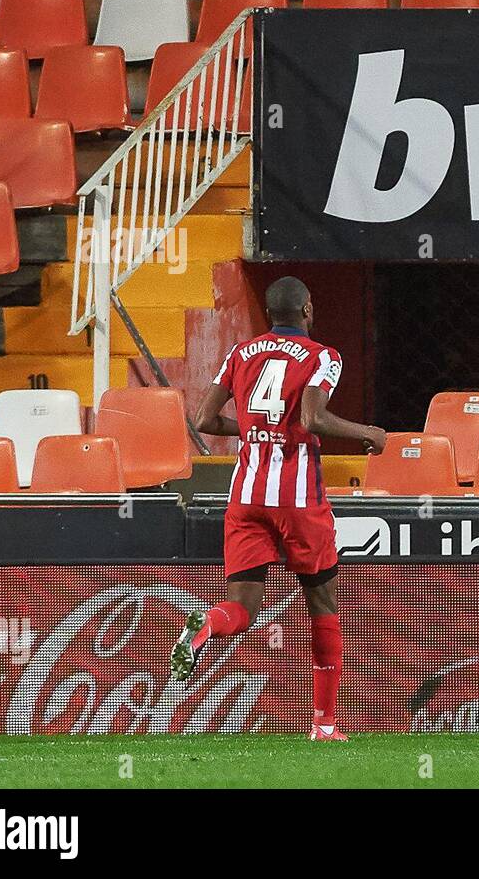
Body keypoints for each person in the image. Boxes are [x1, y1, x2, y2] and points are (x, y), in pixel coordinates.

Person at [172, 276, 387, 742]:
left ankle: (207, 624)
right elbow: (313, 418)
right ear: (308, 309)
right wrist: (367, 431)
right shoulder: (322, 356)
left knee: (241, 608)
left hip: (246, 497)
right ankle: (325, 724)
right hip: (298, 499)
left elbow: (204, 420)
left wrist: (252, 430)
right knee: (322, 605)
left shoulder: (240, 353)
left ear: (271, 314)